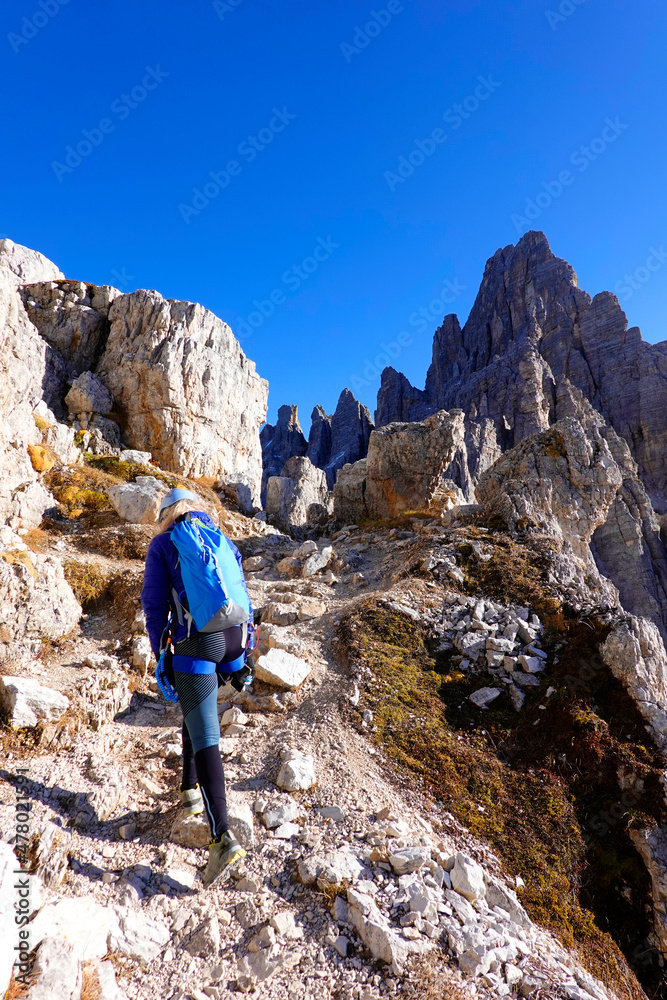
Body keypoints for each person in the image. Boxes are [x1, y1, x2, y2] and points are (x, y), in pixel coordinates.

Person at [141, 488, 251, 886]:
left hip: (198, 643)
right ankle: (188, 791)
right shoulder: (220, 538)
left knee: (206, 733)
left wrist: (161, 655)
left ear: (167, 515)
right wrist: (243, 657)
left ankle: (222, 838)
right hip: (235, 638)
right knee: (194, 707)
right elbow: (240, 593)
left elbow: (154, 606)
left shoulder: (163, 544)